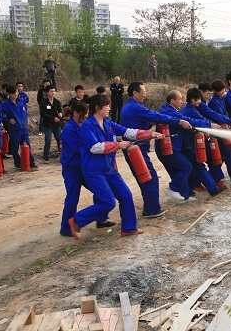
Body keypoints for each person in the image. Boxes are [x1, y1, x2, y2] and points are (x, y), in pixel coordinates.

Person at [67, 94, 156, 240]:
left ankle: (129, 228)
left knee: (126, 195)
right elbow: (95, 147)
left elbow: (128, 132)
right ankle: (77, 220)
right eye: (107, 105)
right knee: (108, 202)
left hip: (110, 170)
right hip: (94, 171)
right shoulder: (87, 126)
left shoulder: (108, 124)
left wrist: (150, 134)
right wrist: (118, 145)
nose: (109, 108)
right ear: (97, 108)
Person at [121, 82, 191, 216]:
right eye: (143, 91)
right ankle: (151, 210)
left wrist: (149, 123)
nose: (145, 94)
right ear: (135, 93)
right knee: (150, 177)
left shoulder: (129, 107)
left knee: (144, 177)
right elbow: (155, 115)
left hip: (134, 147)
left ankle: (150, 207)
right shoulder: (135, 107)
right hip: (136, 148)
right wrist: (178, 121)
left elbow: (140, 123)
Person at [59, 101, 114, 236]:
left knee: (100, 191)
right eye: (84, 114)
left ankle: (101, 218)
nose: (86, 116)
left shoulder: (84, 126)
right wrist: (96, 146)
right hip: (72, 169)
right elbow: (80, 148)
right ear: (76, 113)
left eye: (88, 114)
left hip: (85, 167)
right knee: (72, 198)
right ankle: (66, 228)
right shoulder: (69, 130)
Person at [155, 90, 216, 201]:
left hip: (172, 147)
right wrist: (209, 125)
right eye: (179, 99)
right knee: (186, 167)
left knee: (178, 171)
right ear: (172, 101)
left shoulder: (169, 109)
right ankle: (173, 188)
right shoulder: (170, 111)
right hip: (168, 148)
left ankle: (184, 195)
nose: (182, 102)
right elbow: (188, 120)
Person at [180, 88, 226, 197]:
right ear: (192, 99)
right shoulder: (189, 111)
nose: (200, 102)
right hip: (189, 144)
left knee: (195, 166)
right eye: (198, 99)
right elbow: (201, 120)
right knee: (198, 166)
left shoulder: (191, 109)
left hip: (191, 143)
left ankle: (193, 188)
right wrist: (212, 126)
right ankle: (212, 188)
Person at [197, 81, 231, 187]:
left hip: (219, 130)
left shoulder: (219, 100)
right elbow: (215, 115)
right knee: (227, 155)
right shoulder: (210, 103)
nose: (209, 96)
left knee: (219, 157)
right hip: (219, 132)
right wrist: (230, 122)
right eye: (207, 94)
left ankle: (213, 179)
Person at [1, 85, 38, 170]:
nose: (16, 94)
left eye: (17, 92)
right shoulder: (5, 104)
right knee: (15, 147)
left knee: (27, 145)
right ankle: (18, 163)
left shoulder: (21, 101)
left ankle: (31, 162)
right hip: (14, 129)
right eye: (14, 93)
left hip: (23, 128)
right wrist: (8, 120)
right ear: (9, 94)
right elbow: (1, 115)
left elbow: (25, 111)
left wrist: (25, 120)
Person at [39, 85, 62, 162]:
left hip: (56, 124)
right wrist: (53, 118)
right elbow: (43, 114)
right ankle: (46, 157)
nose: (53, 93)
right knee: (48, 141)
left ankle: (62, 154)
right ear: (47, 92)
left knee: (60, 140)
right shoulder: (43, 103)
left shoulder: (57, 102)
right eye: (51, 91)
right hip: (48, 124)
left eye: (54, 91)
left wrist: (60, 113)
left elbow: (60, 110)